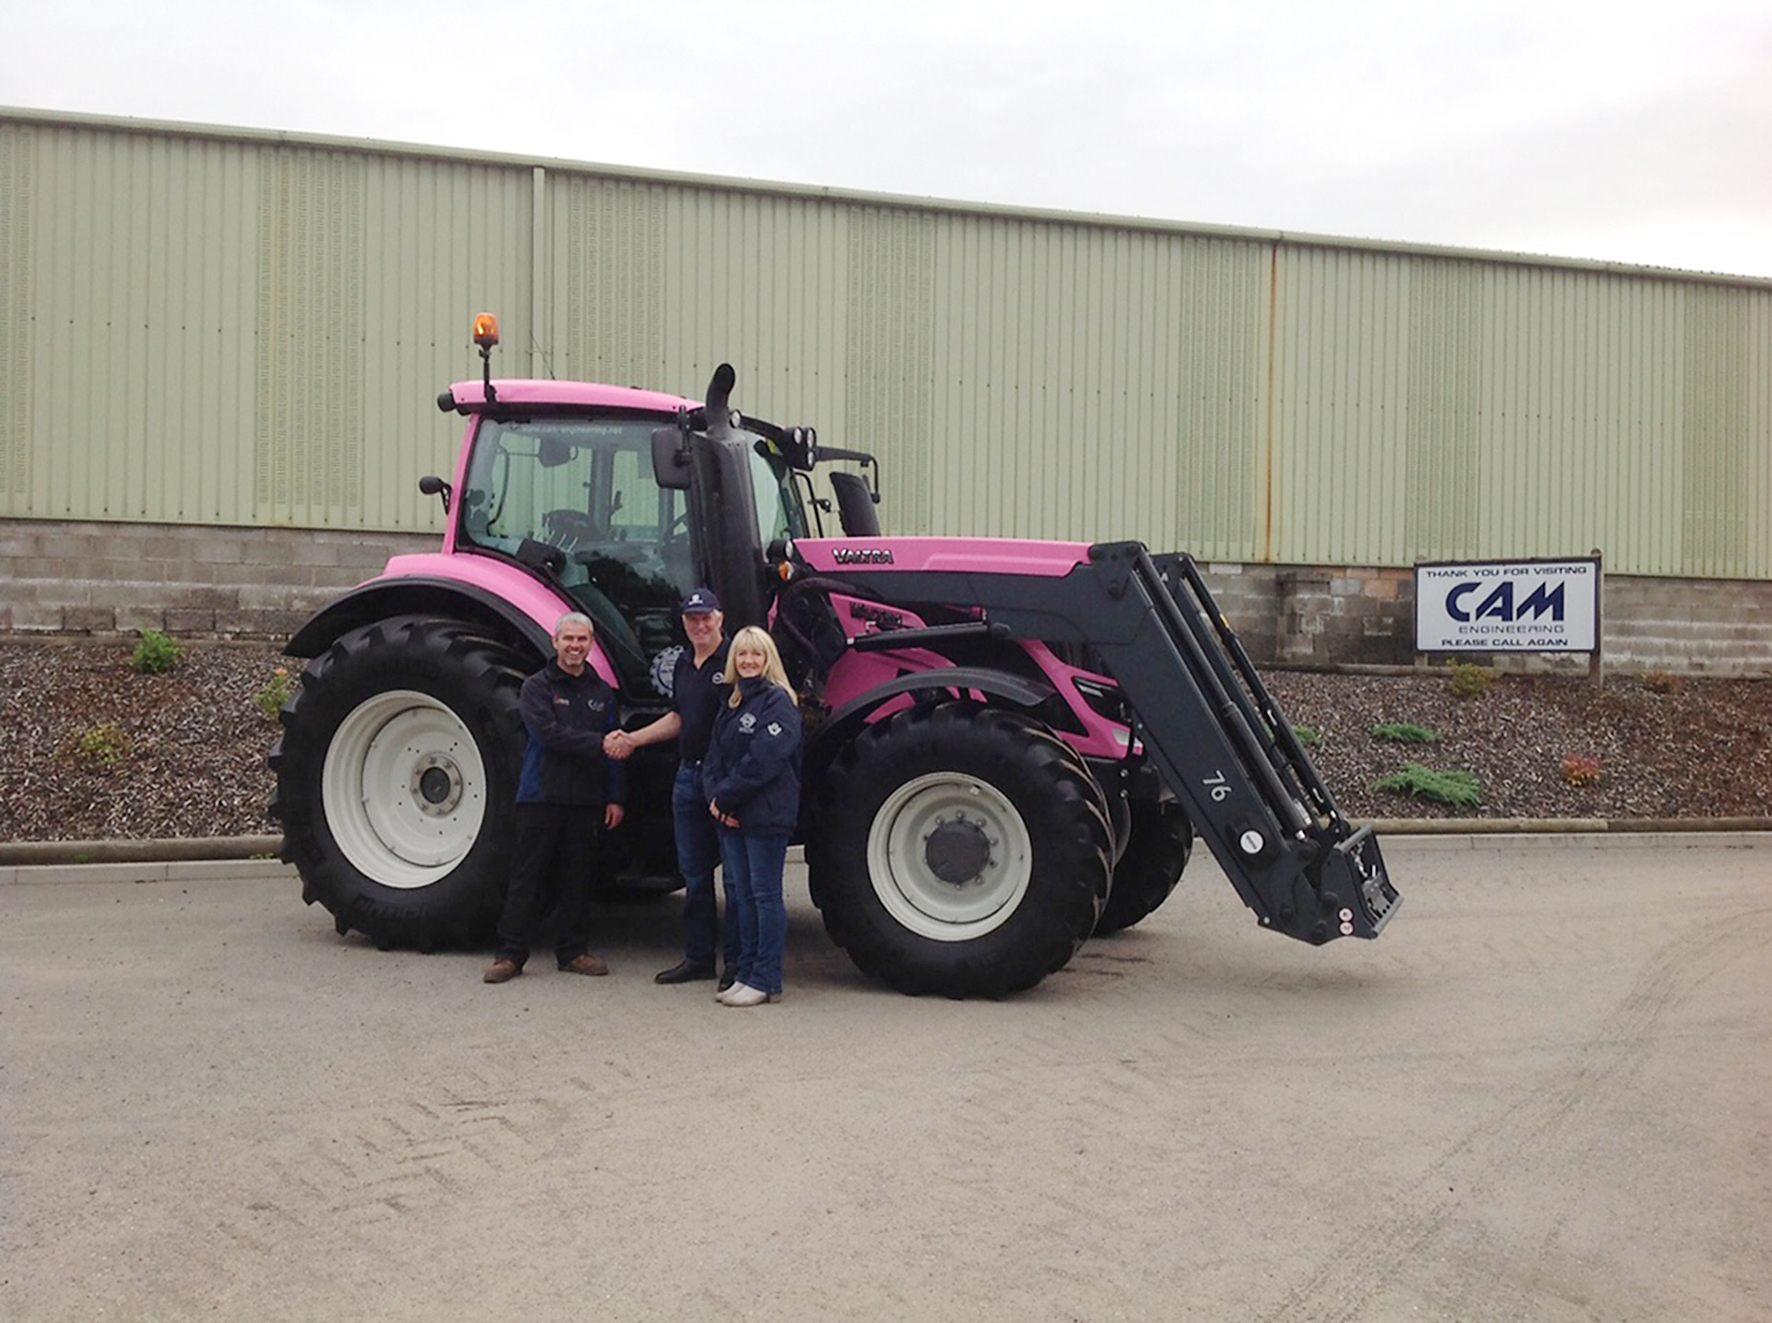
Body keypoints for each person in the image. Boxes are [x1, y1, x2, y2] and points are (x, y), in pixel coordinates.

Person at [602, 588, 740, 988]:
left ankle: (735, 963)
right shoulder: (683, 663)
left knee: (733, 878)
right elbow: (679, 717)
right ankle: (698, 958)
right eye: (692, 618)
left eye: (706, 617)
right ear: (684, 623)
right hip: (687, 776)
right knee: (694, 876)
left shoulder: (735, 660)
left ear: (720, 618)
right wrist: (632, 740)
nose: (700, 624)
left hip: (723, 780)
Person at [483, 612, 625, 984]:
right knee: (526, 878)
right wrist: (599, 743)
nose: (575, 646)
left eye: (582, 640)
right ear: (555, 642)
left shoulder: (601, 694)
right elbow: (548, 735)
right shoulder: (536, 688)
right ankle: (510, 955)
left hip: (585, 800)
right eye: (569, 639)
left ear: (591, 644)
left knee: (576, 879)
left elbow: (614, 754)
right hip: (541, 797)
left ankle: (573, 952)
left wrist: (615, 798)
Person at [701, 626, 802, 1008]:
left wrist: (726, 798)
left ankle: (765, 977)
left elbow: (765, 759)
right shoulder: (733, 702)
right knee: (741, 897)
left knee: (764, 896)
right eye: (741, 655)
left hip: (765, 816)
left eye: (755, 654)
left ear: (767, 659)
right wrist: (716, 799)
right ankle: (744, 973)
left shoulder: (779, 702)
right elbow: (714, 759)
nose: (747, 661)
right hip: (731, 815)